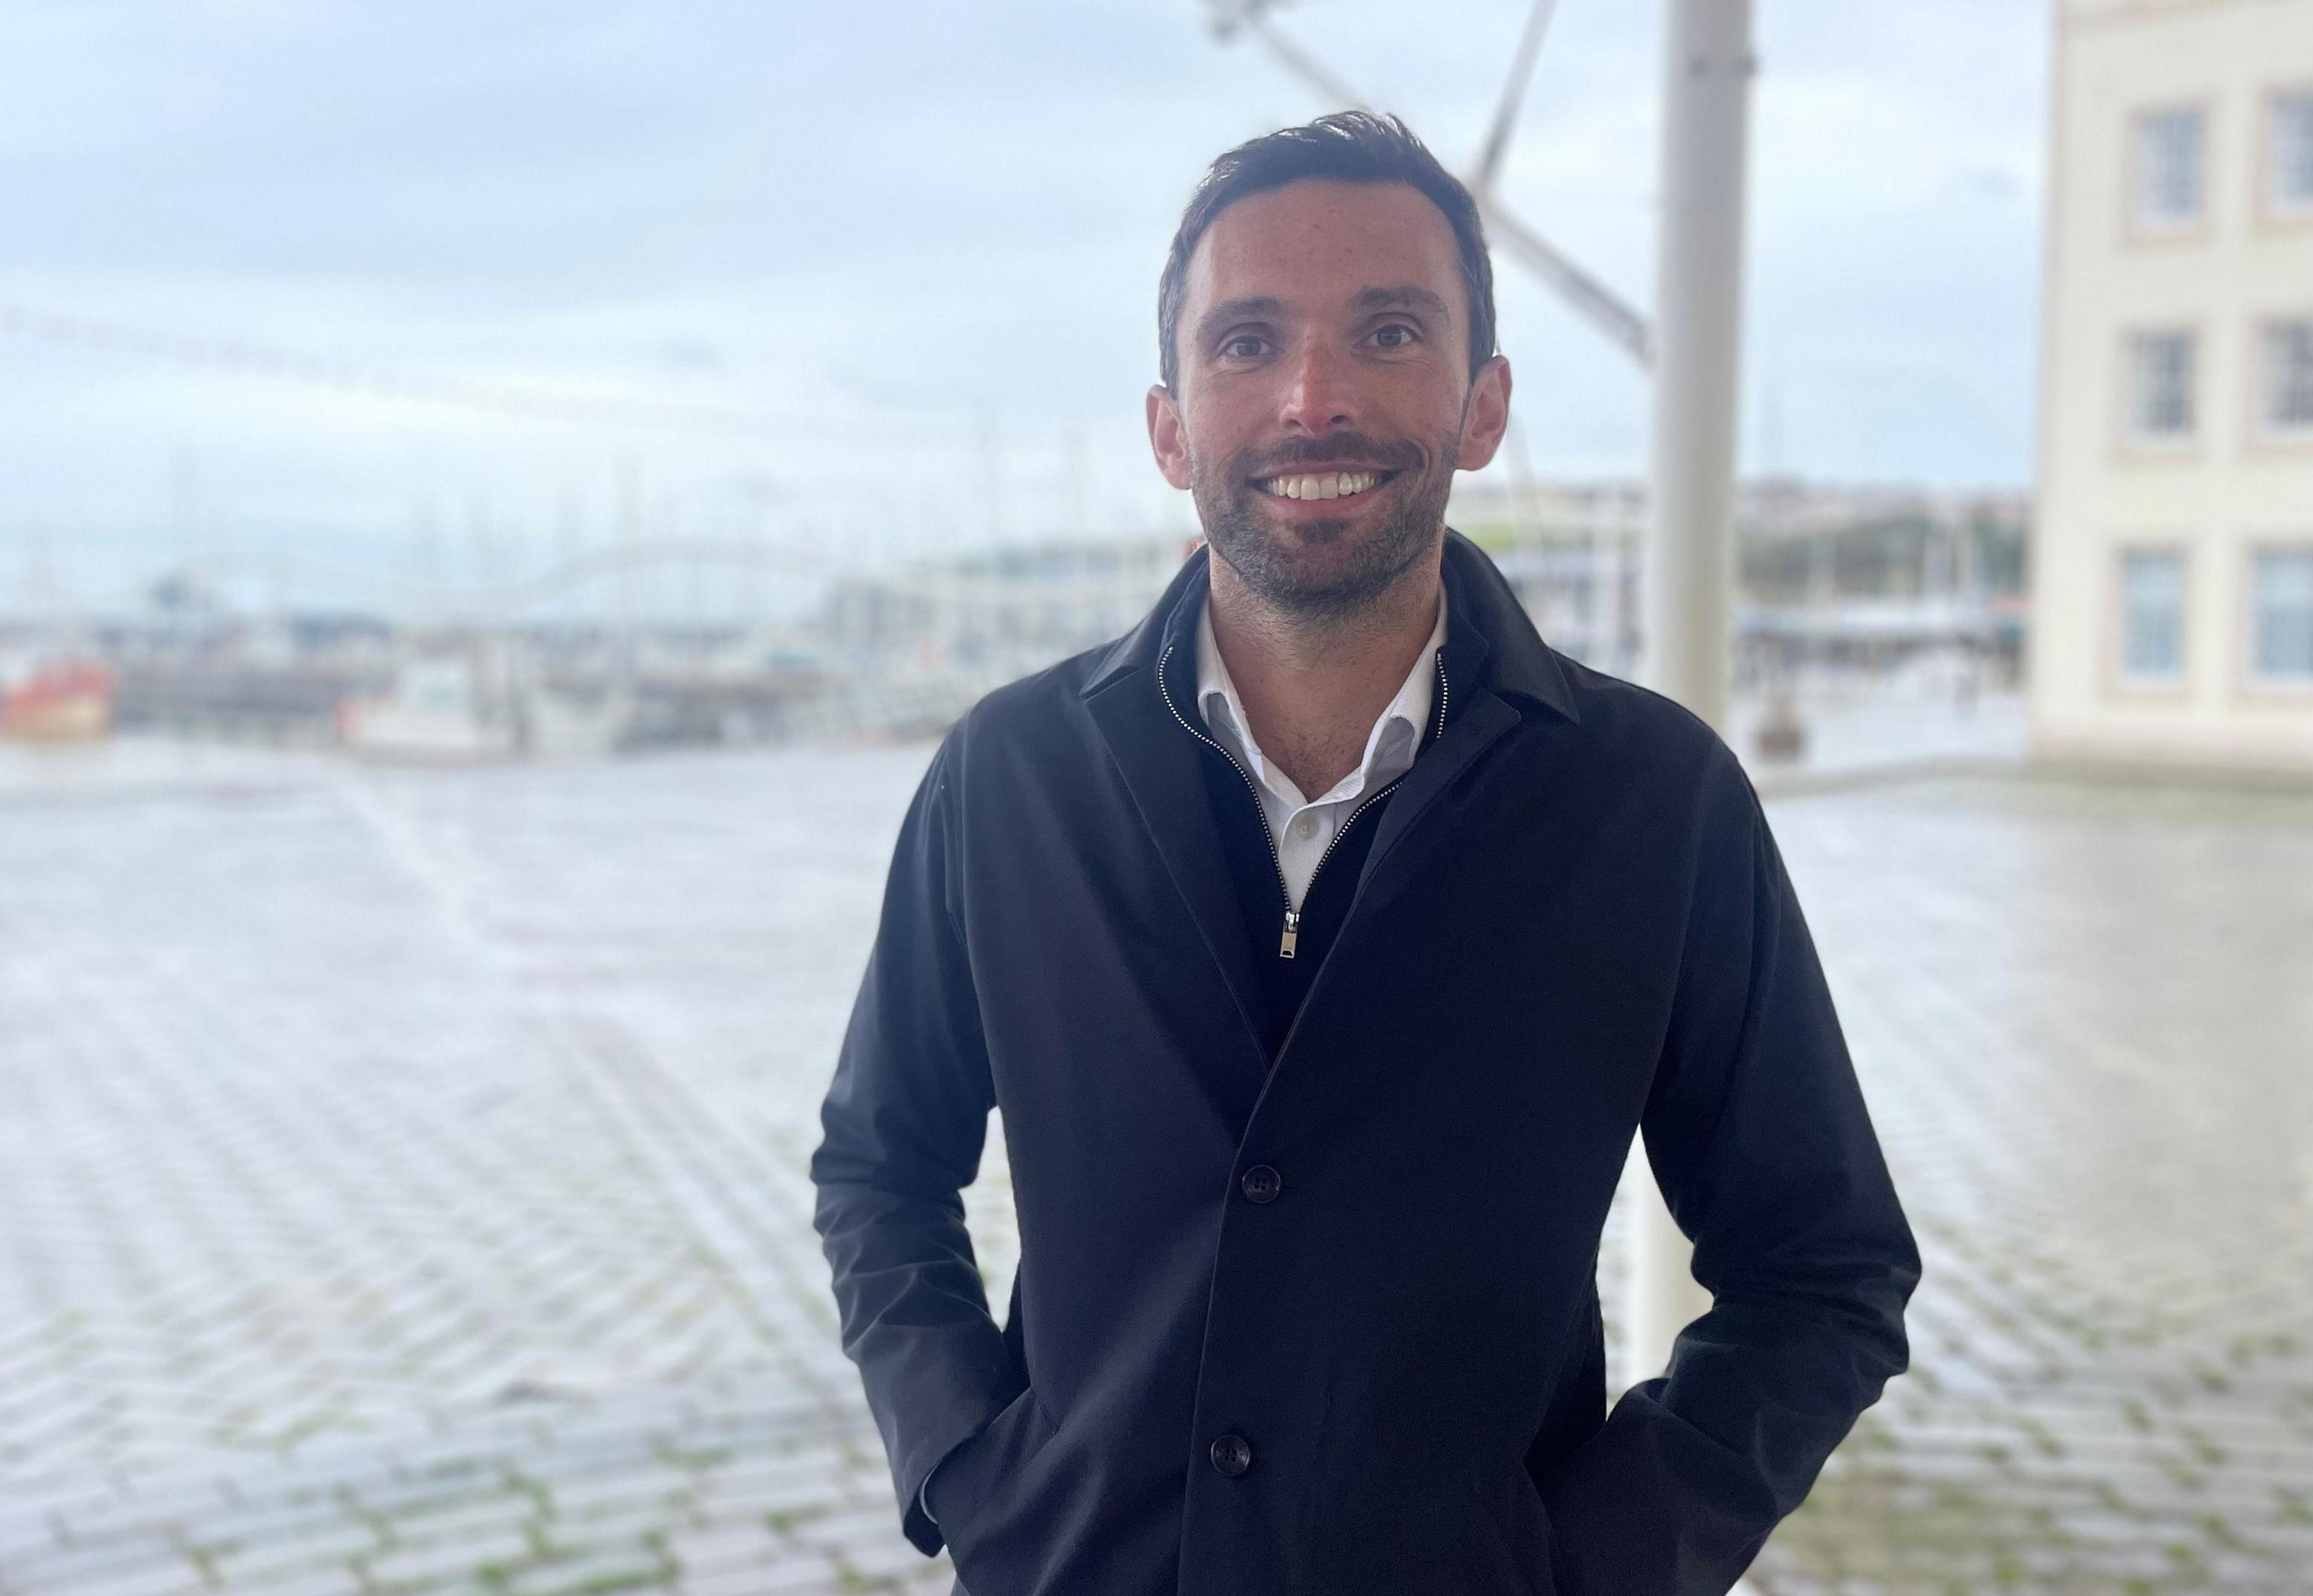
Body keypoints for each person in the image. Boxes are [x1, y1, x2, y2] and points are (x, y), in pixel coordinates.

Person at [810, 112, 1919, 1596]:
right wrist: (970, 1472)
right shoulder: (1004, 780)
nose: (1312, 398)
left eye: (1388, 331)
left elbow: (1825, 1266)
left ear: (1482, 405)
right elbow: (881, 1170)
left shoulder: (1657, 803)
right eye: (1247, 341)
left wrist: (1596, 1566)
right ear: (1170, 426)